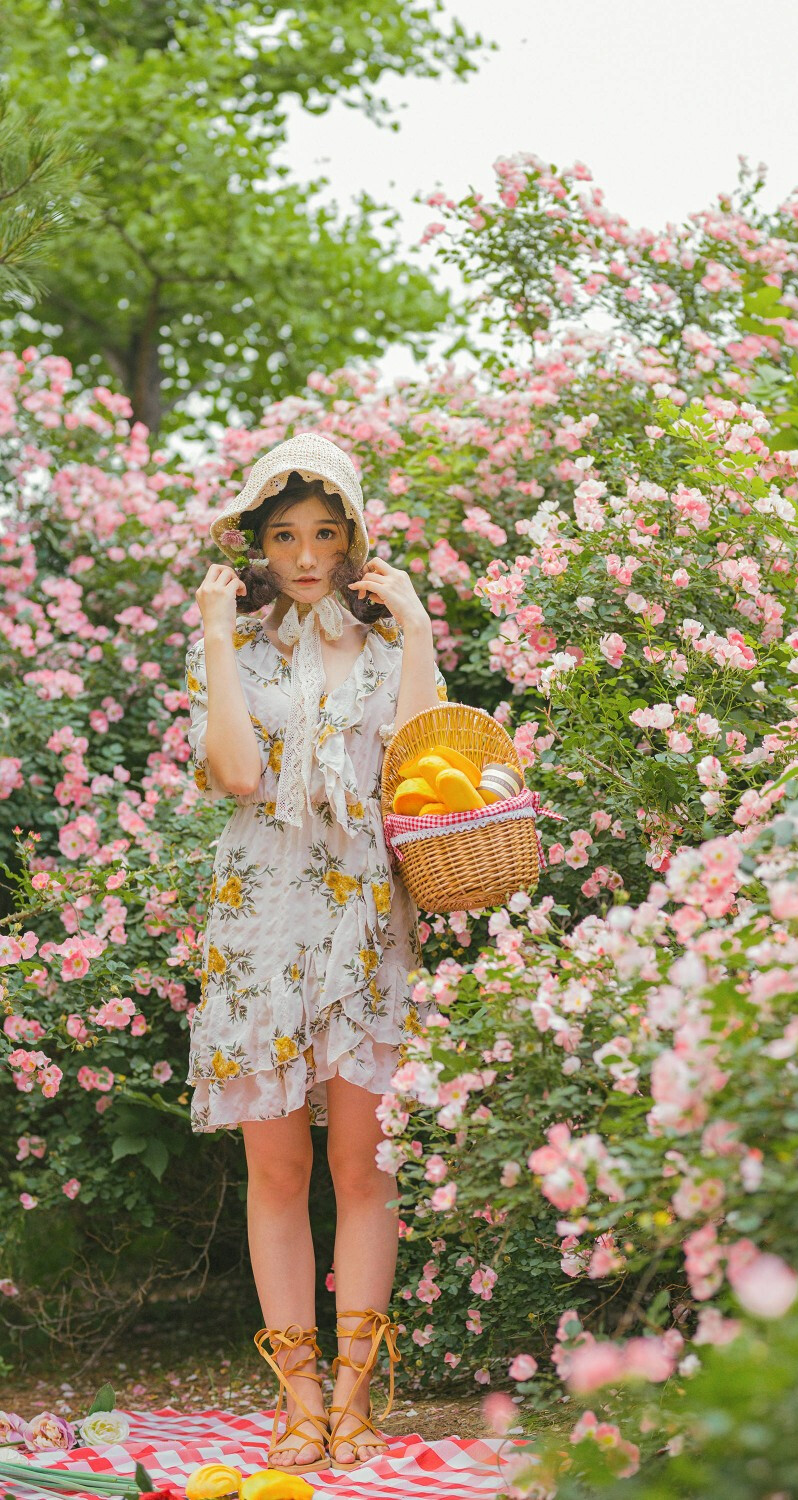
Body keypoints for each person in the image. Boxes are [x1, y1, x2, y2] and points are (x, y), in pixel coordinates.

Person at [182, 431, 448, 1472]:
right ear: (257, 543)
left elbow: (427, 768)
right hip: (262, 922)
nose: (304, 554)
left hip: (366, 920)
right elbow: (240, 774)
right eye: (284, 534)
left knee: (362, 1163)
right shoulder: (240, 651)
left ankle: (354, 1399)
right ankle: (296, 1404)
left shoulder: (384, 658)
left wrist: (417, 629)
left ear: (352, 541)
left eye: (324, 534)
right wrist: (212, 634)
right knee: (278, 1166)